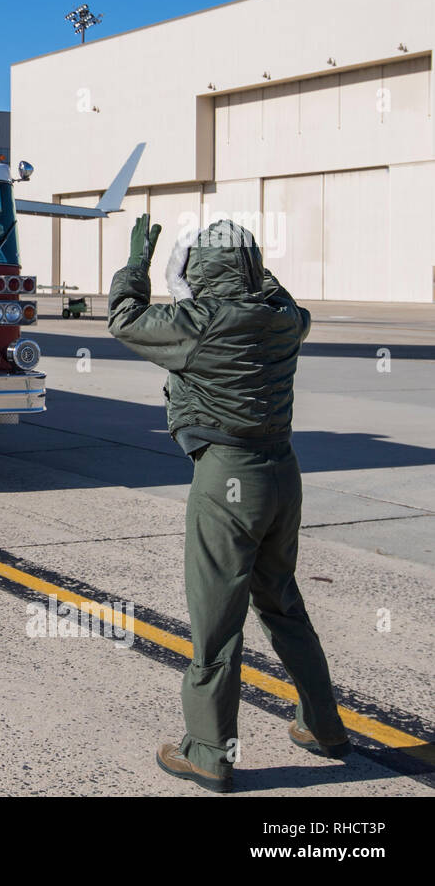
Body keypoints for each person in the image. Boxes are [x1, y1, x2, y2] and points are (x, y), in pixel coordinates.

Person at [107, 214, 348, 794]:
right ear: (254, 265)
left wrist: (137, 265)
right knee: (282, 604)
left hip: (228, 477)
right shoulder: (287, 318)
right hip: (281, 473)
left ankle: (210, 753)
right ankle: (325, 727)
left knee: (217, 621)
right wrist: (251, 269)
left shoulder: (199, 323)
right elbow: (277, 295)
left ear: (201, 270)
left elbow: (125, 320)